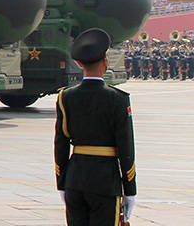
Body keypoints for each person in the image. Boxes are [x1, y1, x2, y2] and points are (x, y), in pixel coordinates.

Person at [55, 28, 136, 225]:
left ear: (79, 63)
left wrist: (62, 183)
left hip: (75, 179)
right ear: (106, 63)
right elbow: (126, 148)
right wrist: (130, 190)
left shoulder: (65, 97)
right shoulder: (118, 99)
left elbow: (61, 144)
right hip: (105, 181)